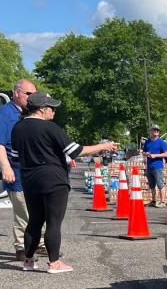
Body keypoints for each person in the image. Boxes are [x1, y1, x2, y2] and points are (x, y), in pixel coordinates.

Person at [10, 92, 117, 273]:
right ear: (42, 110)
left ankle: (28, 260)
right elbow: (76, 151)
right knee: (53, 222)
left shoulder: (17, 128)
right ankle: (54, 263)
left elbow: (15, 157)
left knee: (34, 221)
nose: (54, 112)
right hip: (54, 180)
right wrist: (103, 146)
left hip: (29, 180)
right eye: (52, 108)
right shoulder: (51, 128)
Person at [0, 78, 45, 260]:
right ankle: (21, 247)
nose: (31, 97)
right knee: (23, 211)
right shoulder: (3, 114)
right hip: (17, 171)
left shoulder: (31, 113)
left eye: (33, 94)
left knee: (38, 209)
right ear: (15, 93)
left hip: (34, 171)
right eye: (27, 93)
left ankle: (40, 243)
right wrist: (6, 167)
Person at [142, 124, 167, 208]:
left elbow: (166, 154)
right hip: (149, 166)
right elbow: (143, 152)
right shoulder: (147, 142)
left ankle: (163, 202)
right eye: (154, 130)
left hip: (158, 166)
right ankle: (153, 201)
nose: (156, 131)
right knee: (151, 185)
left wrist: (155, 155)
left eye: (157, 130)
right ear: (150, 131)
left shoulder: (161, 142)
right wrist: (145, 153)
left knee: (160, 184)